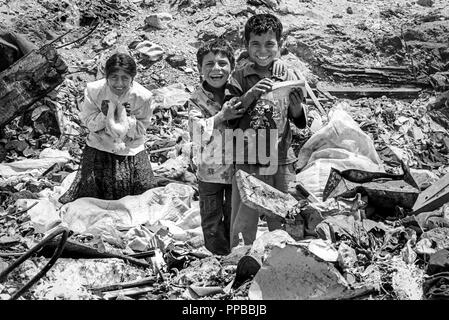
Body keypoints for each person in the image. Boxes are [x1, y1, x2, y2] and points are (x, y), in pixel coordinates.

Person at [225, 13, 308, 249]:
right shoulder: (239, 77)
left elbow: (301, 122)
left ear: (279, 46)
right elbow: (229, 117)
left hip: (281, 158)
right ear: (246, 46)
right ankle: (240, 261)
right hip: (248, 157)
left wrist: (296, 107)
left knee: (286, 213)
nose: (263, 50)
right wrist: (251, 94)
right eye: (256, 44)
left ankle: (288, 256)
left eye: (270, 44)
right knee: (244, 218)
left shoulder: (288, 74)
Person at [59, 53, 156, 204]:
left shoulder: (143, 97)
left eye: (125, 78)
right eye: (114, 77)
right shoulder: (94, 91)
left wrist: (129, 119)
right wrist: (104, 116)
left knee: (143, 191)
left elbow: (141, 130)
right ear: (106, 77)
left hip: (130, 148)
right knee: (93, 193)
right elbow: (88, 123)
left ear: (132, 78)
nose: (119, 83)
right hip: (100, 145)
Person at [188, 38, 244, 255]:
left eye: (222, 63)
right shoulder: (197, 98)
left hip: (236, 168)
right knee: (211, 219)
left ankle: (233, 256)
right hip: (208, 171)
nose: (216, 69)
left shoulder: (238, 92)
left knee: (234, 215)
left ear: (232, 66)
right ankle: (215, 257)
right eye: (209, 64)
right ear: (200, 69)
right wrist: (222, 116)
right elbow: (196, 131)